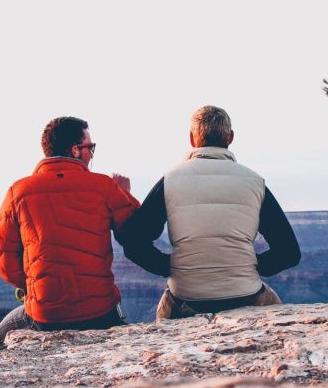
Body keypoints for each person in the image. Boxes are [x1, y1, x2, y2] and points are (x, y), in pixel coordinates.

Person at [121, 105, 301, 320]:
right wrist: (250, 265)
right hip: (246, 295)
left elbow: (133, 242)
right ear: (231, 137)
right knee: (276, 312)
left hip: (186, 296)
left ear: (191, 138)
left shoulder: (171, 180)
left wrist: (169, 266)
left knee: (164, 313)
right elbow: (289, 252)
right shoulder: (254, 182)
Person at [0, 116, 140, 344]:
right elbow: (135, 234)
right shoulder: (104, 187)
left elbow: (3, 258)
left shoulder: (18, 192)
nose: (91, 154)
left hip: (46, 315)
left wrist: (33, 284)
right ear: (76, 150)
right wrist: (125, 194)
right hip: (100, 313)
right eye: (90, 148)